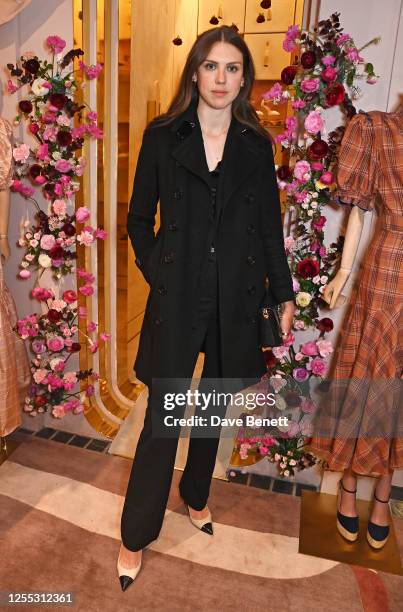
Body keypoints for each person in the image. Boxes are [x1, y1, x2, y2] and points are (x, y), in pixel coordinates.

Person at [117, 25, 295, 590]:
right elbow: (138, 221)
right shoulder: (164, 137)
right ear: (194, 72)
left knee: (213, 411)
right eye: (212, 66)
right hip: (179, 299)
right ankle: (135, 535)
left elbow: (270, 228)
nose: (221, 79)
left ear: (244, 78)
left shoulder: (255, 144)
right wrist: (161, 273)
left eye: (233, 68)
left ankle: (196, 496)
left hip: (236, 302)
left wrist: (285, 293)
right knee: (163, 423)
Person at [310, 106, 403, 550]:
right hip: (389, 275)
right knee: (376, 384)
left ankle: (382, 496)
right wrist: (342, 274)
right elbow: (360, 213)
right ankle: (351, 485)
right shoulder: (379, 130)